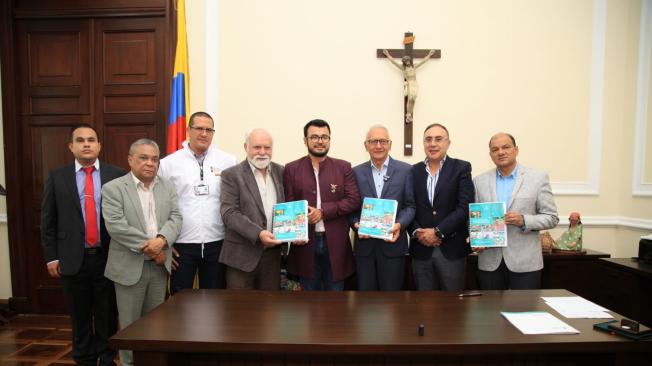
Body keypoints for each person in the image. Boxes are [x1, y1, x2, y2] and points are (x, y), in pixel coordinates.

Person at [41, 124, 125, 366]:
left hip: (107, 256)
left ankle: (107, 356)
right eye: (80, 140)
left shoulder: (116, 174)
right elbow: (48, 220)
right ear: (71, 147)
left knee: (107, 313)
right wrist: (51, 257)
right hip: (71, 258)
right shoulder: (57, 177)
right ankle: (84, 358)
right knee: (80, 315)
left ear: (99, 145)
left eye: (91, 139)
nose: (86, 144)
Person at [102, 139, 182, 366]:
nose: (150, 163)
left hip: (158, 267)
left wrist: (162, 240)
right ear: (130, 160)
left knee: (155, 324)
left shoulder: (167, 186)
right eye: (143, 158)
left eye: (154, 159)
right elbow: (117, 226)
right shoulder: (113, 188)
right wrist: (153, 248)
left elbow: (176, 217)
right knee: (129, 326)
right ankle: (128, 364)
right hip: (129, 267)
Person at [158, 111, 236, 294]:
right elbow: (159, 205)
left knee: (215, 300)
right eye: (199, 128)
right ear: (188, 131)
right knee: (180, 301)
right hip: (181, 245)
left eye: (209, 130)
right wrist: (166, 244)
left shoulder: (228, 161)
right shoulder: (169, 163)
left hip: (217, 243)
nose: (204, 133)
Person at [474, 132, 559, 289]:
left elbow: (552, 217)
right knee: (488, 312)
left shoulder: (538, 178)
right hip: (490, 262)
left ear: (516, 150)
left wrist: (524, 220)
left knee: (524, 312)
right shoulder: (479, 181)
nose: (501, 152)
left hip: (525, 263)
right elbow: (474, 217)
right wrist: (475, 239)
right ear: (490, 155)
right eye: (495, 149)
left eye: (506, 147)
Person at [283, 119, 361, 291]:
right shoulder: (291, 169)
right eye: (314, 137)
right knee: (308, 302)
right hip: (304, 244)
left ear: (329, 140)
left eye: (324, 137)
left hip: (336, 243)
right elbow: (289, 204)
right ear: (305, 140)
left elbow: (353, 200)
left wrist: (323, 212)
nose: (320, 141)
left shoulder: (343, 167)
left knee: (336, 299)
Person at [409, 123, 474, 291]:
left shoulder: (461, 168)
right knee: (424, 307)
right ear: (423, 143)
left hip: (451, 250)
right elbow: (409, 206)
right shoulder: (413, 171)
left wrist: (437, 231)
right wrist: (418, 233)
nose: (432, 144)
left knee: (453, 308)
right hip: (421, 250)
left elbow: (464, 207)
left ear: (448, 143)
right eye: (428, 139)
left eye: (438, 139)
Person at [351, 125, 415, 290]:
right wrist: (356, 224)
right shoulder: (354, 172)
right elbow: (350, 208)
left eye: (383, 141)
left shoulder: (406, 170)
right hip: (365, 249)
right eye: (373, 141)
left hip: (393, 247)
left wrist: (399, 224)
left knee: (392, 302)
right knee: (365, 301)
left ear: (390, 144)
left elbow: (410, 206)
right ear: (366, 145)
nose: (378, 145)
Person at [219, 129, 285, 289]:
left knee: (270, 309)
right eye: (257, 147)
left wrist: (297, 229)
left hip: (272, 258)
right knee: (240, 310)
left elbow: (288, 208)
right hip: (241, 257)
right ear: (245, 147)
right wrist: (259, 233)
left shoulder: (281, 171)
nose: (262, 152)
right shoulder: (231, 175)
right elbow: (229, 213)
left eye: (267, 147)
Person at [382, 48, 436, 123]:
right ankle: (408, 114)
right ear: (404, 62)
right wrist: (387, 55)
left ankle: (409, 113)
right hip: (409, 83)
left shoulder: (413, 66)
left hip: (415, 83)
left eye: (408, 60)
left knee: (413, 99)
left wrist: (429, 55)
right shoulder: (403, 68)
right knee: (410, 98)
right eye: (406, 61)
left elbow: (423, 61)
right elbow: (394, 62)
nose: (407, 62)